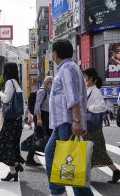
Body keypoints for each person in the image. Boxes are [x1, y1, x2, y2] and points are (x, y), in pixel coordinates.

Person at [45, 39, 94, 196]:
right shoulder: (69, 67)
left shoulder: (66, 69)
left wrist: (76, 120)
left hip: (67, 122)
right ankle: (58, 192)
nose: (51, 54)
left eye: (52, 51)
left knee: (71, 162)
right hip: (62, 122)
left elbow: (72, 96)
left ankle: (60, 192)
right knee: (52, 153)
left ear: (56, 53)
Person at [0, 62, 25, 182]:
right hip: (17, 120)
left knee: (4, 144)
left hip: (10, 121)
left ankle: (14, 168)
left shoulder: (10, 82)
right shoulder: (17, 83)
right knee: (12, 144)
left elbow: (6, 99)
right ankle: (13, 169)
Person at [82, 68, 120, 184]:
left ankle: (115, 171)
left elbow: (103, 107)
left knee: (97, 151)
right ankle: (84, 174)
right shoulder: (88, 90)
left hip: (92, 128)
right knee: (91, 151)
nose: (84, 78)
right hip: (88, 127)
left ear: (91, 78)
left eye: (85, 76)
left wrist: (89, 108)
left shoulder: (95, 91)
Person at [26, 76, 53, 167]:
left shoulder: (47, 91)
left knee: (39, 136)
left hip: (45, 116)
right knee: (39, 136)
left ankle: (29, 158)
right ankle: (30, 158)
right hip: (42, 116)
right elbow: (37, 106)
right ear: (47, 83)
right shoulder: (42, 91)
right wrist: (39, 119)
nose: (52, 86)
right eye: (51, 84)